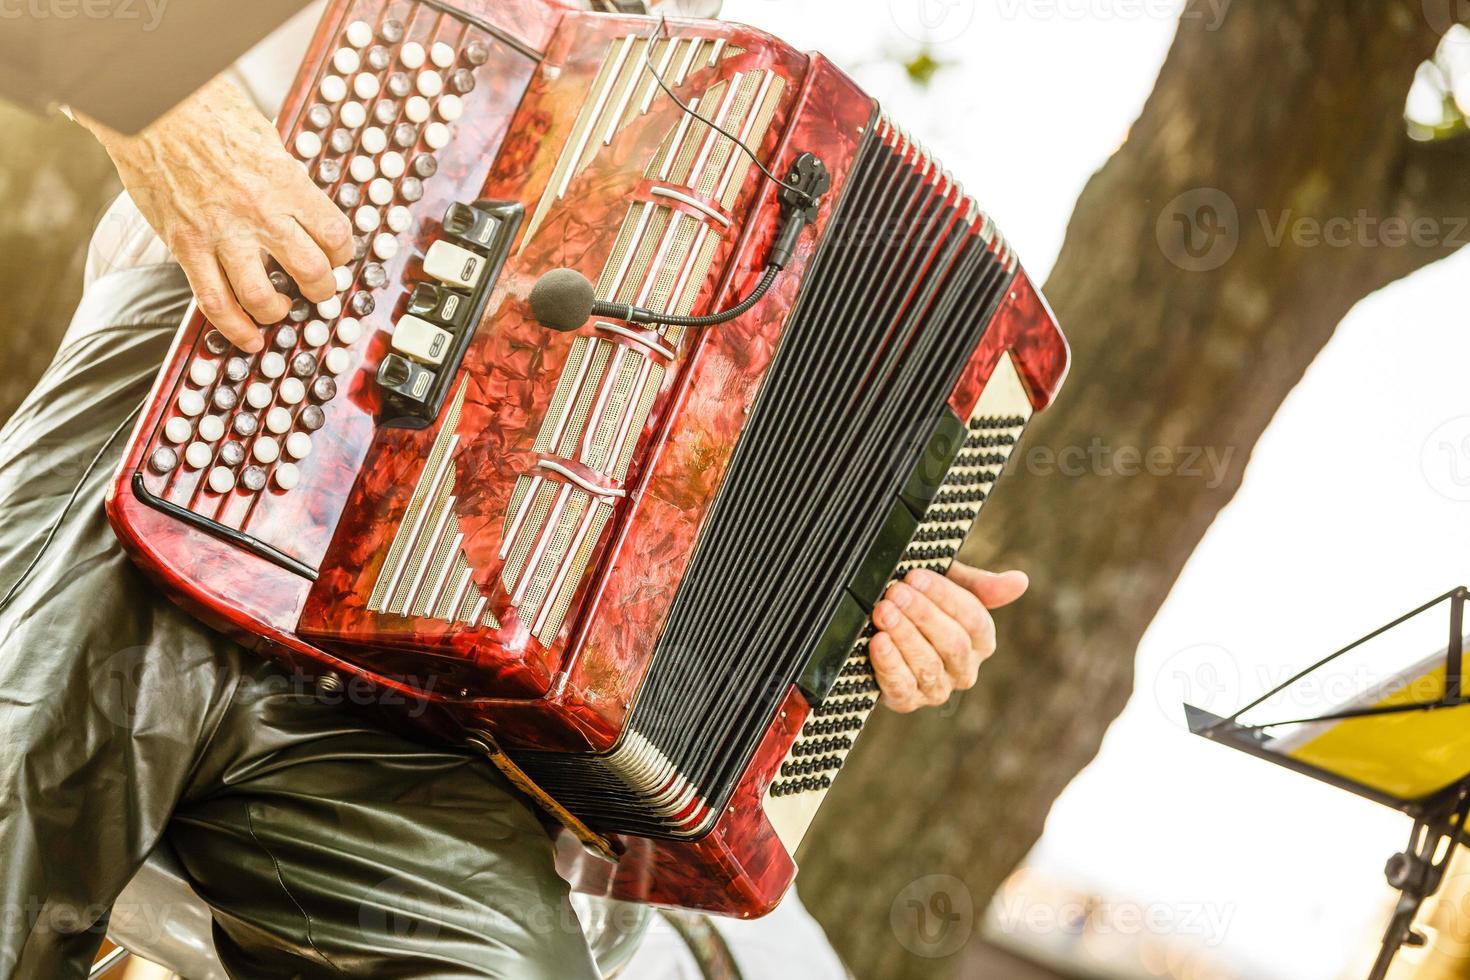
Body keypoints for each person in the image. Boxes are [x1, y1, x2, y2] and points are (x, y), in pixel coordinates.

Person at [0, 2, 1032, 977]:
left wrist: (845, 604)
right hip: (187, 427)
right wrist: (161, 111)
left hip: (412, 680)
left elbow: (670, 485)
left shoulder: (700, 83)